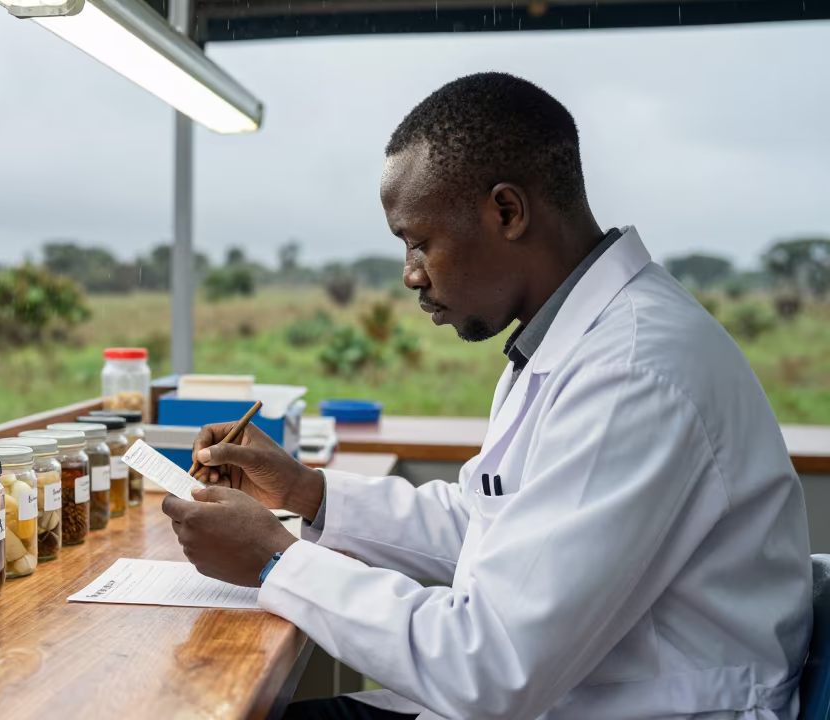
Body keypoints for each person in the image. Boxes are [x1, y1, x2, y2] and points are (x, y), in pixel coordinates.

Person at [161, 72, 812, 720]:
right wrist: (306, 492)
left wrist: (276, 563)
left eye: (419, 241)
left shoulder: (633, 373)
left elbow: (488, 670)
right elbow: (491, 527)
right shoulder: (571, 339)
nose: (412, 275)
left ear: (507, 211)